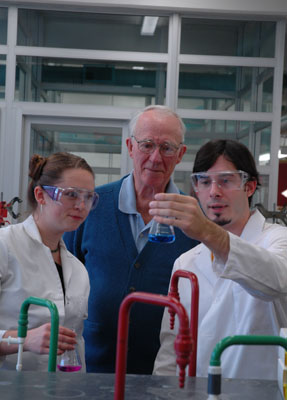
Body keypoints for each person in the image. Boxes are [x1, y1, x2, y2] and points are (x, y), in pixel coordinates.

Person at [64, 105, 199, 374]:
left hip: (163, 373)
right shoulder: (91, 205)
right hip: (90, 369)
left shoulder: (194, 221)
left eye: (167, 147)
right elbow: (62, 276)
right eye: (147, 144)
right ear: (130, 146)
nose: (156, 157)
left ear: (181, 154)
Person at [152, 139, 287, 380]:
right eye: (204, 181)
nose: (214, 191)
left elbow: (275, 280)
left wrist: (207, 231)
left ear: (249, 186)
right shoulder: (186, 262)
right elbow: (171, 347)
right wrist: (165, 391)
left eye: (226, 180)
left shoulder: (278, 240)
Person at [0, 152, 98, 371]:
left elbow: (75, 345)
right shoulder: (5, 246)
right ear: (40, 195)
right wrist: (22, 340)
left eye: (88, 197)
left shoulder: (77, 269)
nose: (81, 206)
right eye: (71, 194)